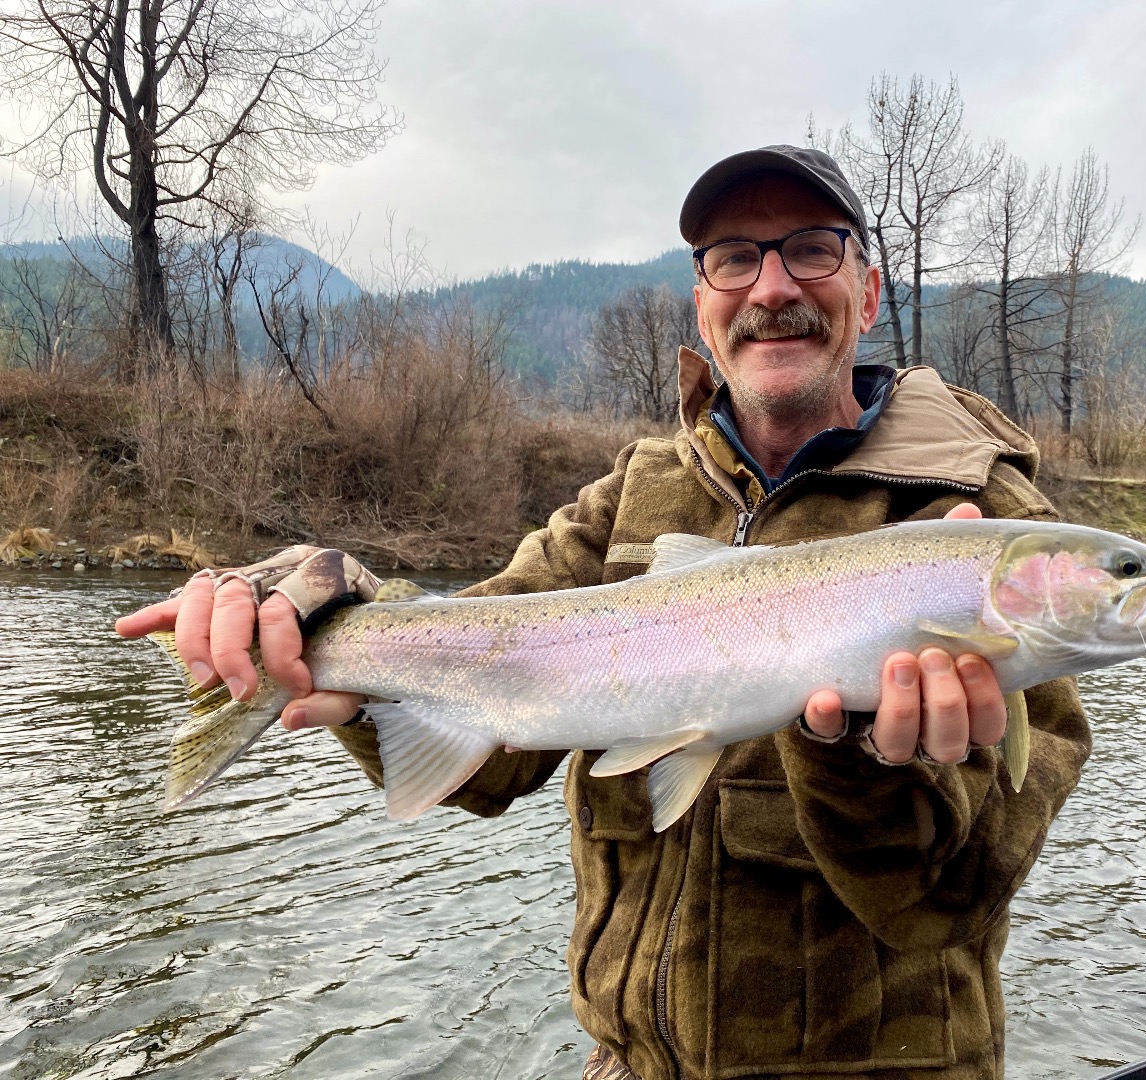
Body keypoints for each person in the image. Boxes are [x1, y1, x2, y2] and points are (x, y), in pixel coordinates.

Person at [117, 145, 1090, 1080]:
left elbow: (956, 899)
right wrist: (325, 606)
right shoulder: (633, 495)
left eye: (811, 248)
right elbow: (491, 751)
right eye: (734, 259)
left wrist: (872, 765)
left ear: (868, 292)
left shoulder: (975, 526)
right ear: (705, 307)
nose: (772, 286)